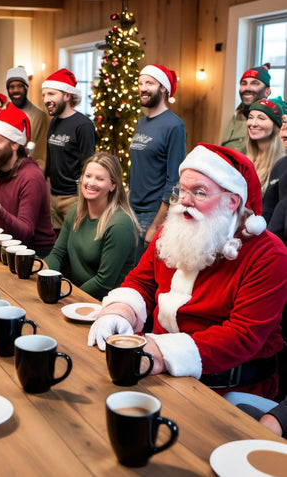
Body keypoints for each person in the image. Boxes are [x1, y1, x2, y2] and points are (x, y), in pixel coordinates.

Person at [88, 143, 287, 398]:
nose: (184, 200)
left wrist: (160, 351)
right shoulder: (172, 230)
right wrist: (120, 312)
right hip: (156, 369)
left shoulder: (267, 254)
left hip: (230, 389)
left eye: (199, 192)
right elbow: (142, 281)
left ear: (231, 201)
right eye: (181, 189)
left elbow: (242, 335)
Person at [44, 152, 137, 300]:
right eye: (88, 176)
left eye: (99, 179)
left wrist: (68, 297)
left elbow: (103, 283)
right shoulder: (76, 211)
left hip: (104, 304)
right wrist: (45, 277)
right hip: (76, 296)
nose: (91, 183)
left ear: (113, 185)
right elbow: (57, 254)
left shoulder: (120, 225)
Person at [0, 102, 55, 256]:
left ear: (15, 145)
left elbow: (25, 233)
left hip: (33, 254)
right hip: (1, 249)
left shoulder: (31, 177)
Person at [129, 64, 186, 261]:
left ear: (163, 88)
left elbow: (175, 181)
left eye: (150, 83)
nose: (143, 88)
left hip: (152, 213)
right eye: (140, 83)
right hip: (131, 207)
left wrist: (156, 224)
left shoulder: (174, 125)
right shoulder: (141, 122)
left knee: (139, 273)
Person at [43, 68, 96, 231]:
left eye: (51, 94)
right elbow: (50, 162)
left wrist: (83, 199)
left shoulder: (83, 125)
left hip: (73, 198)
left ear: (67, 95)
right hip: (53, 197)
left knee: (74, 243)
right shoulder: (53, 122)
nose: (46, 99)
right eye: (44, 94)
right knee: (57, 242)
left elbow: (88, 165)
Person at [221, 64, 272, 154]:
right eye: (244, 83)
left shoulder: (274, 122)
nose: (247, 88)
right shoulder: (236, 116)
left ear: (267, 91)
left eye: (255, 83)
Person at [6, 66, 49, 170]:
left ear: (26, 88)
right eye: (11, 86)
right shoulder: (2, 113)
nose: (15, 90)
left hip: (28, 174)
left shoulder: (39, 116)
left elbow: (41, 157)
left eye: (20, 86)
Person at [245, 96, 286, 193]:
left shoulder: (283, 165)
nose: (253, 123)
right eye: (250, 117)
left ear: (275, 126)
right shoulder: (244, 160)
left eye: (261, 118)